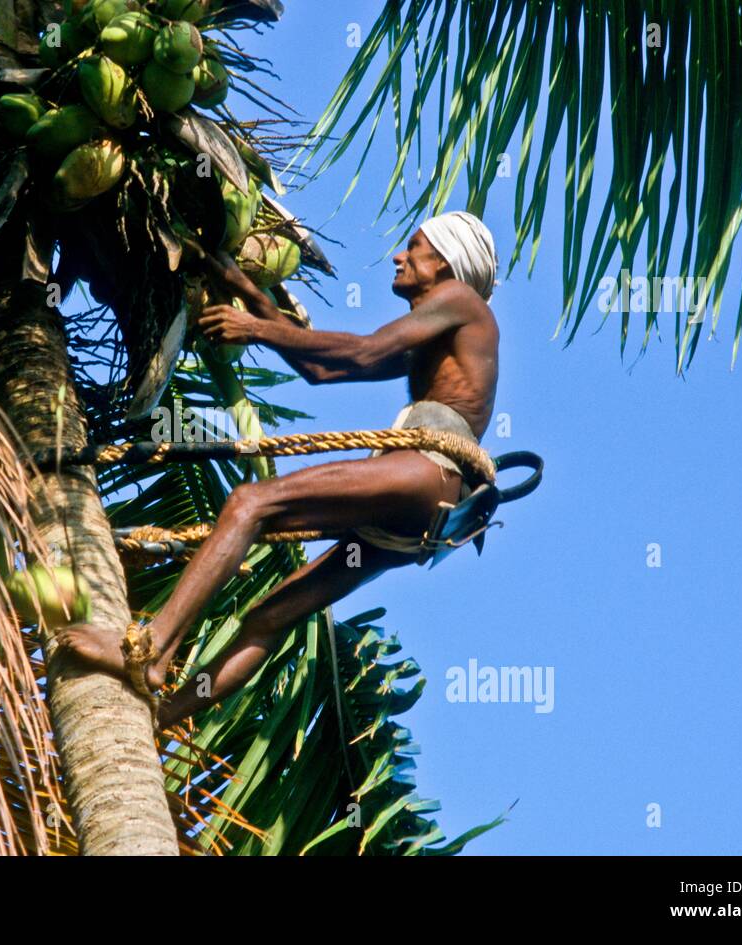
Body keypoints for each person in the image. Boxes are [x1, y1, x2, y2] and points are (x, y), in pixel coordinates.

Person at [51, 210, 501, 729]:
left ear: (445, 262)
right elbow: (322, 368)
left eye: (414, 247)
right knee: (270, 615)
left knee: (250, 502)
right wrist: (240, 284)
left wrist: (253, 326)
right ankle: (162, 718)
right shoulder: (442, 334)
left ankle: (150, 650)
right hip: (422, 526)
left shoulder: (461, 301)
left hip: (428, 474)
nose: (400, 257)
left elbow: (361, 352)